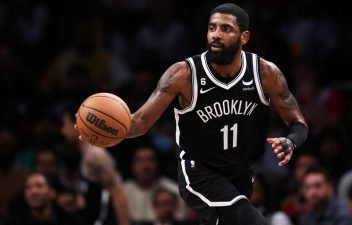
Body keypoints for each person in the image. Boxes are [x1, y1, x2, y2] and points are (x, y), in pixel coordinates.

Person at [77, 3, 308, 225]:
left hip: (241, 174)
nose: (216, 34)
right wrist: (103, 131)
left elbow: (298, 122)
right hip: (199, 173)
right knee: (247, 218)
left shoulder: (265, 73)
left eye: (226, 29)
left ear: (244, 37)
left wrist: (291, 141)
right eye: (212, 27)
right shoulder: (183, 74)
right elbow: (139, 122)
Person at [62, 104, 130, 225]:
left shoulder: (95, 155)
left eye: (65, 124)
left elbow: (117, 191)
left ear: (77, 125)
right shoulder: (85, 154)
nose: (63, 131)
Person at [5, 172, 83, 225]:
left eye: (39, 186)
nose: (33, 192)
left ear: (52, 192)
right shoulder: (14, 222)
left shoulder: (69, 221)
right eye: (28, 188)